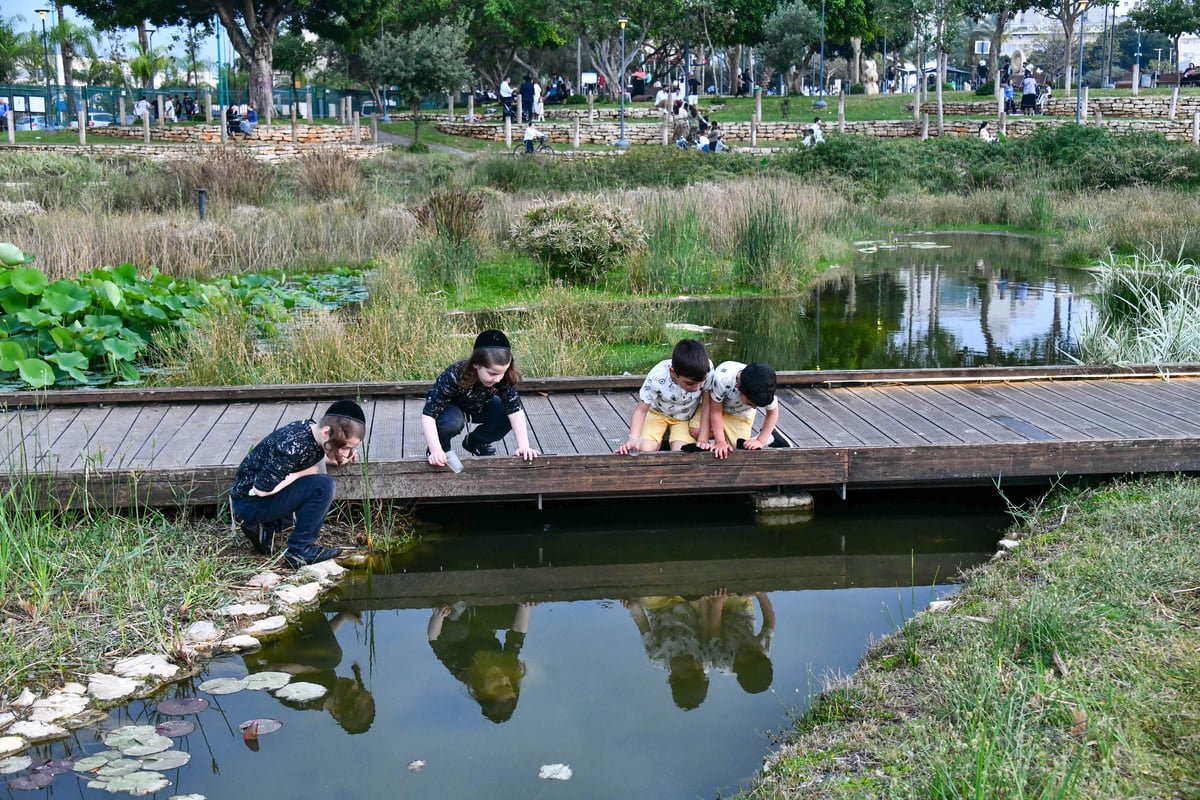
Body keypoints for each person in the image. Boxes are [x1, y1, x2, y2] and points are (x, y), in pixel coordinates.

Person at [230, 399, 365, 568]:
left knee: (317, 482)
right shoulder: (292, 448)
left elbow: (311, 456)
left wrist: (341, 458)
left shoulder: (311, 432)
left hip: (254, 499)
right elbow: (262, 490)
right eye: (345, 447)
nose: (347, 451)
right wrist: (304, 473)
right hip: (250, 502)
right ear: (326, 432)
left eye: (351, 448)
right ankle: (299, 551)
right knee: (323, 486)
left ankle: (264, 528)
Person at [245, 609, 376, 734]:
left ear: (336, 711)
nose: (354, 684)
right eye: (360, 687)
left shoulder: (307, 698)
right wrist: (342, 617)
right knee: (331, 659)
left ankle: (306, 611)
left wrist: (307, 668)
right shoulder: (329, 682)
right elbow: (320, 645)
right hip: (286, 641)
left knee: (333, 659)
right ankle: (307, 611)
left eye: (353, 693)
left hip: (265, 653)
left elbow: (271, 671)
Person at [422, 329, 540, 466]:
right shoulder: (454, 374)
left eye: (503, 372)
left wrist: (524, 446)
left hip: (479, 405)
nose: (498, 378)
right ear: (476, 364)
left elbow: (515, 409)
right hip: (450, 409)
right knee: (453, 422)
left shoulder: (503, 377)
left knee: (507, 414)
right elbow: (428, 415)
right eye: (492, 373)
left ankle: (475, 441)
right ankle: (441, 450)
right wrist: (436, 449)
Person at [428, 601, 536, 723]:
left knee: (458, 632)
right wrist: (525, 605)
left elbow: (434, 640)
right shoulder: (509, 667)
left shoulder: (463, 671)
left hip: (455, 619)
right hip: (482, 620)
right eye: (508, 685)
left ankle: (458, 603)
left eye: (499, 687)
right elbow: (517, 635)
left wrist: (437, 617)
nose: (503, 679)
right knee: (513, 615)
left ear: (483, 692)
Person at [617, 339, 712, 454]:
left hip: (685, 418)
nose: (697, 388)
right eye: (690, 383)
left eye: (700, 383)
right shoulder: (657, 375)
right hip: (657, 413)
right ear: (673, 373)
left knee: (681, 452)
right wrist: (633, 440)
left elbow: (707, 405)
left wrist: (702, 439)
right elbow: (641, 411)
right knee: (646, 450)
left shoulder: (707, 369)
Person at [624, 597, 709, 710]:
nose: (695, 665)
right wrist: (703, 599)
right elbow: (705, 624)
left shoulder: (657, 657)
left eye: (689, 670)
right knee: (698, 597)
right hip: (685, 601)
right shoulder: (702, 658)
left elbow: (642, 622)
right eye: (700, 671)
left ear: (673, 677)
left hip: (658, 606)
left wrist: (633, 604)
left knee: (647, 598)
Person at [692, 361, 779, 458]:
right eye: (751, 403)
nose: (754, 408)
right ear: (738, 387)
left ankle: (771, 438)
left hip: (740, 414)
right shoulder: (722, 380)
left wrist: (760, 441)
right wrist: (720, 442)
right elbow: (715, 411)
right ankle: (724, 433)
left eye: (757, 406)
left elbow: (772, 413)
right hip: (717, 408)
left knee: (740, 447)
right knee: (695, 431)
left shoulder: (763, 388)